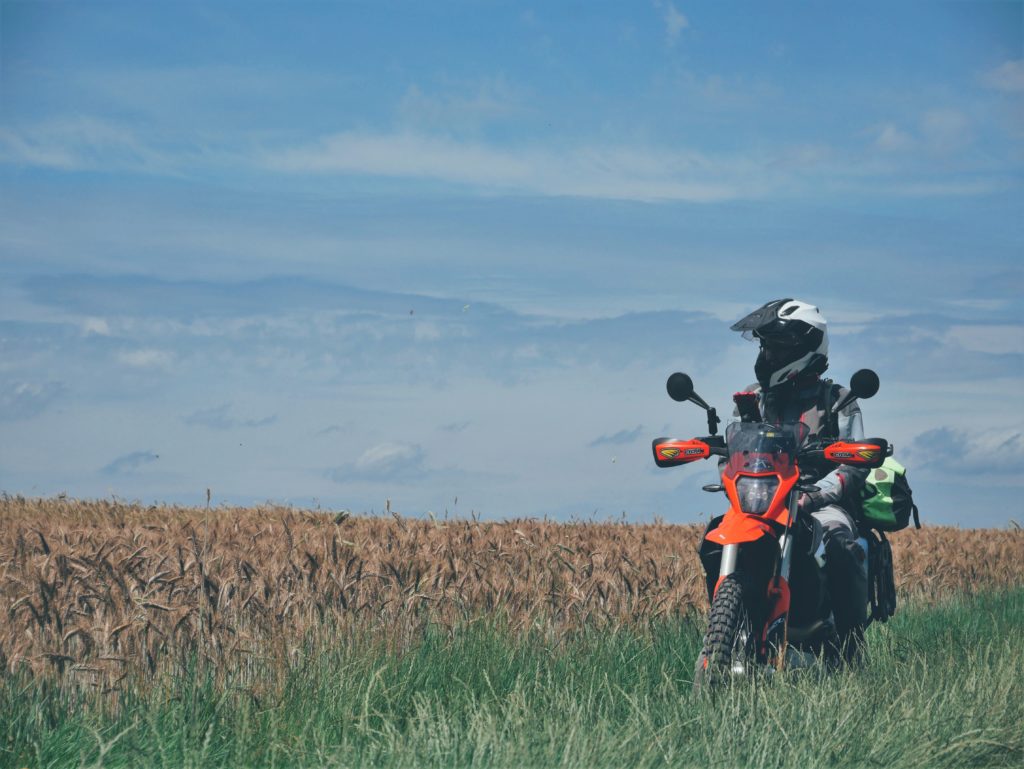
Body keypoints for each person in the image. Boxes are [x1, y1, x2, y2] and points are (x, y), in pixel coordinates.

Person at [729, 298, 869, 660]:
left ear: (805, 348)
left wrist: (814, 496)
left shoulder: (838, 400)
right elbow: (733, 451)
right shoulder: (753, 400)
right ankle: (727, 628)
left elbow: (854, 463)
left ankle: (850, 645)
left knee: (840, 547)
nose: (768, 356)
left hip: (819, 503)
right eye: (765, 347)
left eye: (777, 348)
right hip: (763, 501)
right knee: (714, 541)